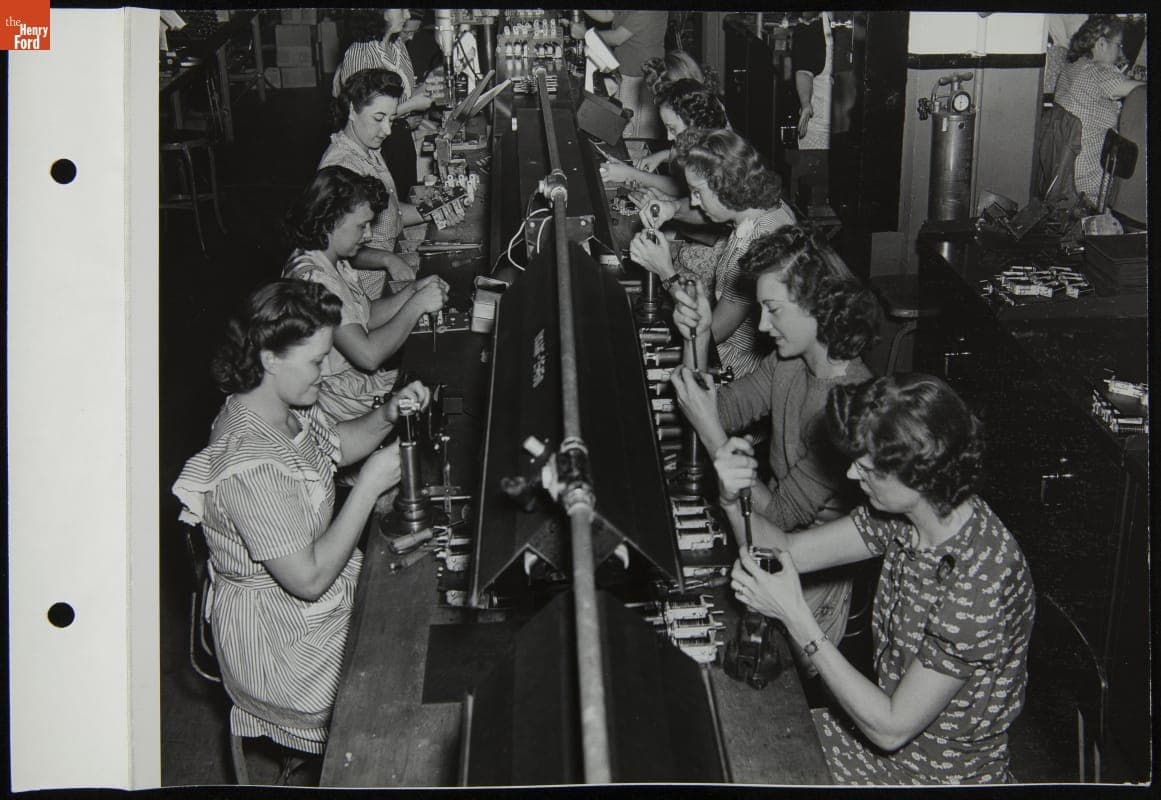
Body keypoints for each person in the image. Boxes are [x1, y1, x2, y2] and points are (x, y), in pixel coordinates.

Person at [722, 374, 1036, 784]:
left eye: (867, 467)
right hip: (880, 746)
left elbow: (891, 728)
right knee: (743, 738)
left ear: (918, 476)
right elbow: (787, 549)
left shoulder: (981, 582)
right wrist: (733, 496)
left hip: (935, 778)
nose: (852, 474)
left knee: (751, 764)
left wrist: (797, 616)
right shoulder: (905, 518)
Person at [172, 279, 433, 754]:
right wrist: (370, 485)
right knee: (405, 680)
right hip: (280, 644)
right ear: (270, 359)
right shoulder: (248, 464)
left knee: (421, 617)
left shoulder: (279, 405)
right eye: (316, 361)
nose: (325, 370)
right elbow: (308, 580)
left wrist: (388, 415)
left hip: (316, 595)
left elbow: (333, 448)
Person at [669, 227, 878, 650]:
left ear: (820, 306)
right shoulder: (791, 361)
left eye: (774, 310)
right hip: (769, 538)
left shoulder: (846, 405)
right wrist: (700, 337)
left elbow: (782, 518)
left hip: (817, 581)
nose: (763, 326)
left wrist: (713, 437)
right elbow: (719, 409)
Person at [283, 166, 448, 423]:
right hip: (332, 401)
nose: (369, 235)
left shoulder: (330, 259)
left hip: (352, 385)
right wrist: (416, 305)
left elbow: (366, 315)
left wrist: (413, 290)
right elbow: (368, 355)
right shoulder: (314, 280)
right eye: (362, 226)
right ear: (330, 222)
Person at [629, 128, 796, 378]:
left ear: (723, 187)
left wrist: (666, 272)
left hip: (735, 367)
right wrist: (670, 207)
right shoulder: (765, 207)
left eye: (697, 192)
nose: (694, 202)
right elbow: (709, 210)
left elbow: (713, 332)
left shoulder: (752, 247)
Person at [319, 67, 439, 300]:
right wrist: (389, 259)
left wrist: (437, 209)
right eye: (378, 118)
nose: (387, 130)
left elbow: (392, 213)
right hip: (367, 290)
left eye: (392, 119)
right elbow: (339, 246)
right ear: (353, 110)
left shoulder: (367, 147)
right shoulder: (341, 168)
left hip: (387, 268)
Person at [1038, 15, 1144, 208]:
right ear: (1102, 44)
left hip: (1063, 171)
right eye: (1119, 45)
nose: (1121, 52)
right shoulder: (1098, 72)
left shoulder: (1072, 68)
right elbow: (1140, 92)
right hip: (1091, 182)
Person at [332, 10, 438, 192]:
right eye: (401, 8)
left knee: (404, 198)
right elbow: (363, 117)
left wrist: (426, 88)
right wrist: (411, 106)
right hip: (377, 147)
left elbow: (398, 96)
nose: (406, 16)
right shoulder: (360, 53)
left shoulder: (397, 46)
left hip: (400, 139)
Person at [599, 78, 729, 196]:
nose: (669, 137)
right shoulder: (706, 131)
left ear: (694, 124)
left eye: (672, 129)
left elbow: (681, 190)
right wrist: (662, 155)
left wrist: (632, 174)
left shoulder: (716, 153)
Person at [574, 10, 668, 138]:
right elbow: (607, 14)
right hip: (625, 71)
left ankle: (636, 157)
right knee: (622, 125)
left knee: (632, 132)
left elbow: (617, 38)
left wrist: (584, 34)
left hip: (639, 76)